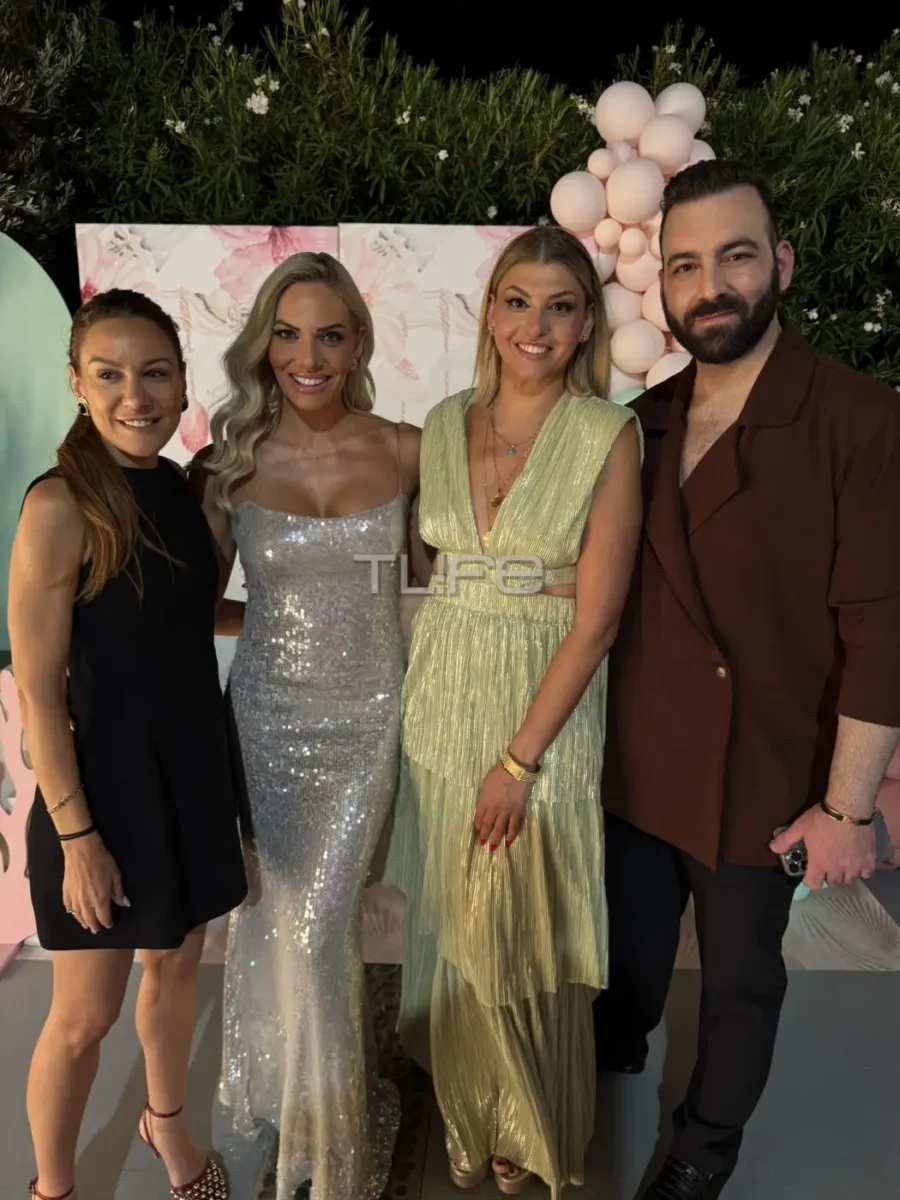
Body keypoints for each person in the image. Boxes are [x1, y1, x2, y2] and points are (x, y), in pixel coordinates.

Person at [597, 159, 900, 1198]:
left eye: (735, 256)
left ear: (782, 262)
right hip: (637, 766)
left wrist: (847, 809)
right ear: (664, 285)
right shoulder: (642, 420)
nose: (710, 285)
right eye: (685, 265)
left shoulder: (860, 419)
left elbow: (883, 628)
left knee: (738, 987)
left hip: (761, 773)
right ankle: (615, 1051)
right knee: (627, 962)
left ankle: (700, 1154)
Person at [386, 226, 643, 1196]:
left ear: (585, 326)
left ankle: (530, 1120)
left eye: (561, 306)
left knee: (518, 930)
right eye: (519, 301)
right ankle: (470, 1112)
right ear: (491, 311)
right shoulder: (443, 421)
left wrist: (519, 761)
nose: (537, 325)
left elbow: (599, 619)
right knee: (454, 928)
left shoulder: (607, 434)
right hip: (441, 705)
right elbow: (432, 572)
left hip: (543, 715)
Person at [190, 252, 424, 1200]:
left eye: (329, 334)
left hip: (369, 720)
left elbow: (431, 586)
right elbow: (199, 607)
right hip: (267, 720)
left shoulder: (407, 449)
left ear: (359, 342)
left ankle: (331, 1151)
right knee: (286, 925)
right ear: (264, 344)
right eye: (286, 334)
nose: (307, 356)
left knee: (321, 926)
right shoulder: (229, 463)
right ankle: (314, 1124)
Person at [8, 289, 247, 1200]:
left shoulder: (181, 489)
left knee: (177, 966)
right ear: (77, 381)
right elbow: (38, 690)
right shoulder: (61, 505)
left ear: (183, 382)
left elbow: (186, 617)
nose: (134, 396)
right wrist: (78, 838)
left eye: (154, 374)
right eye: (108, 374)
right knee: (83, 1017)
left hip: (188, 773)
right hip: (102, 796)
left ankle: (166, 1127)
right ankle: (53, 1189)